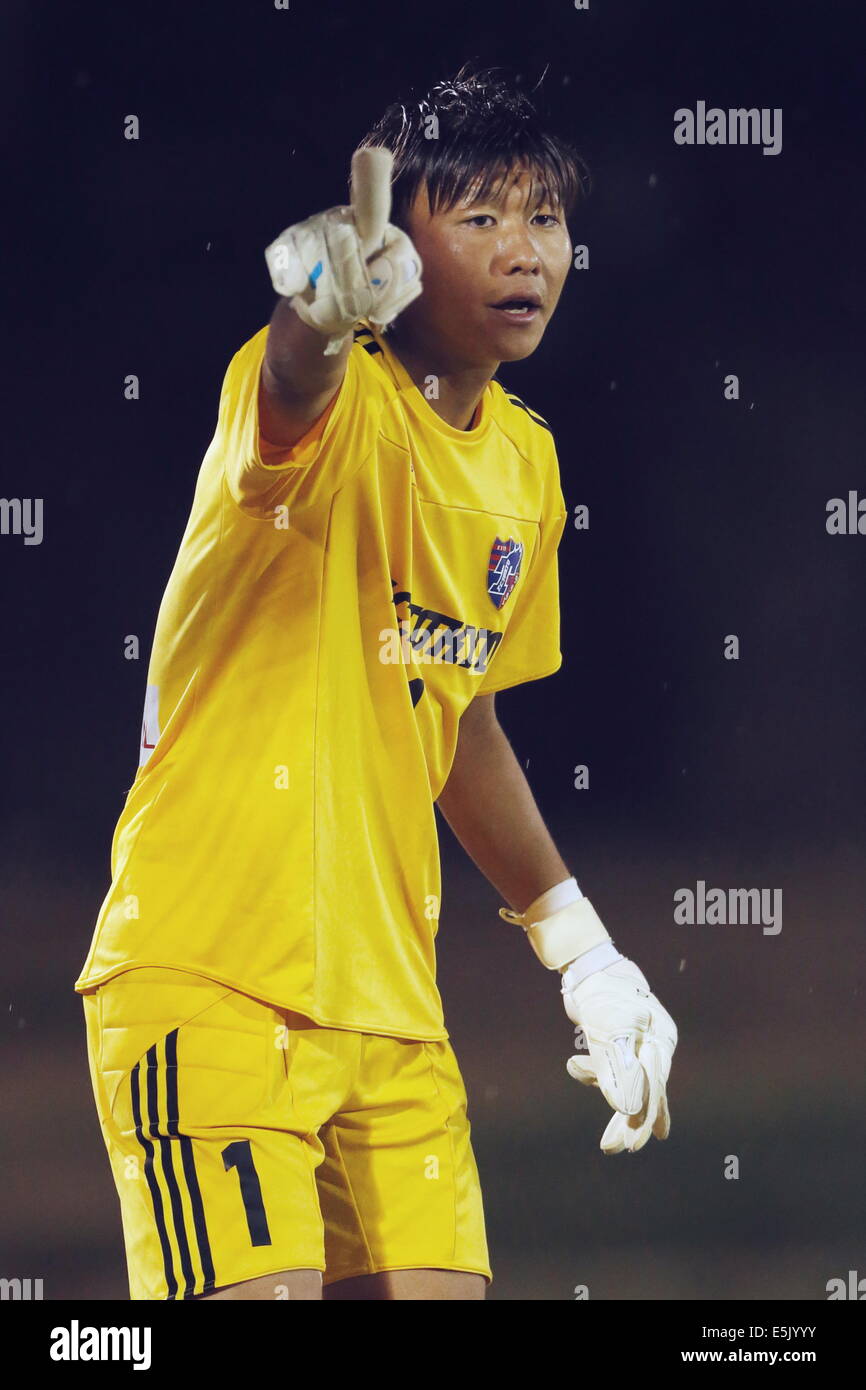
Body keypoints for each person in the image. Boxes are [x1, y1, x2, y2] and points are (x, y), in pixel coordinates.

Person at [75, 62, 677, 1302]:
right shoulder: (325, 405)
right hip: (213, 980)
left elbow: (457, 717)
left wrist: (582, 950)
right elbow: (299, 371)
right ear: (393, 250)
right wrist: (316, 299)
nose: (524, 252)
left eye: (544, 219)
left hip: (394, 1018)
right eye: (478, 218)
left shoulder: (524, 468)